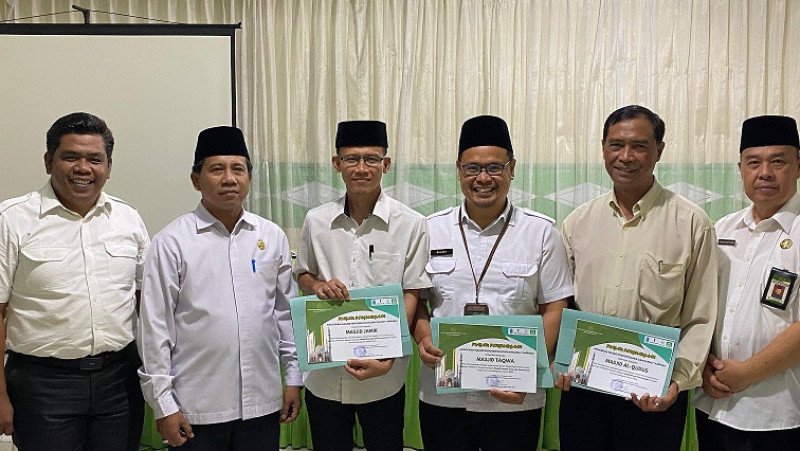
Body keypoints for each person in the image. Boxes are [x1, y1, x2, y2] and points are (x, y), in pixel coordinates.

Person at [557, 105, 718, 450]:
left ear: (659, 150)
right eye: (615, 145)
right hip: (583, 388)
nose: (625, 156)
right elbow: (562, 303)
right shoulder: (577, 223)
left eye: (639, 146)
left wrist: (676, 382)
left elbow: (700, 315)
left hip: (652, 392)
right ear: (603, 148)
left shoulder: (691, 223)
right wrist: (557, 359)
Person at [413, 115, 573, 450]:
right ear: (458, 170)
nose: (483, 178)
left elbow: (555, 306)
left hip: (514, 396)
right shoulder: (429, 230)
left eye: (494, 167)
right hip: (445, 392)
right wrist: (424, 338)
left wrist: (529, 370)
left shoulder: (541, 233)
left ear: (512, 169)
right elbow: (419, 301)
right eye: (472, 168)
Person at [137, 126, 301, 450]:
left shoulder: (270, 236)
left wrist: (293, 377)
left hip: (262, 403)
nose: (229, 179)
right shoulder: (172, 243)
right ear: (196, 180)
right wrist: (163, 404)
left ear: (249, 178)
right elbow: (154, 329)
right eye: (217, 169)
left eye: (238, 169)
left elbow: (285, 314)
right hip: (195, 408)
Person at [0, 112, 149, 450]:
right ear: (49, 161)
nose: (83, 168)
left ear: (108, 167)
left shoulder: (128, 219)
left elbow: (148, 301)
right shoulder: (12, 220)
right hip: (42, 386)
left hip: (118, 381)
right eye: (70, 157)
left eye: (94, 159)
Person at [295, 120, 430, 451]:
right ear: (336, 163)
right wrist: (317, 286)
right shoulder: (316, 220)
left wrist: (389, 354)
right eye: (351, 158)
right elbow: (302, 274)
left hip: (383, 377)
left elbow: (411, 291)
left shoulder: (411, 223)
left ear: (386, 164)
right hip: (325, 374)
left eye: (371, 159)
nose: (361, 168)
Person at [693, 115, 800, 450]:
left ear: (798, 166)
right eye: (754, 162)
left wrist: (747, 373)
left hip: (778, 412)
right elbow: (700, 305)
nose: (764, 172)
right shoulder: (721, 229)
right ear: (740, 168)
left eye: (778, 161)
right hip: (712, 403)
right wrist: (705, 366)